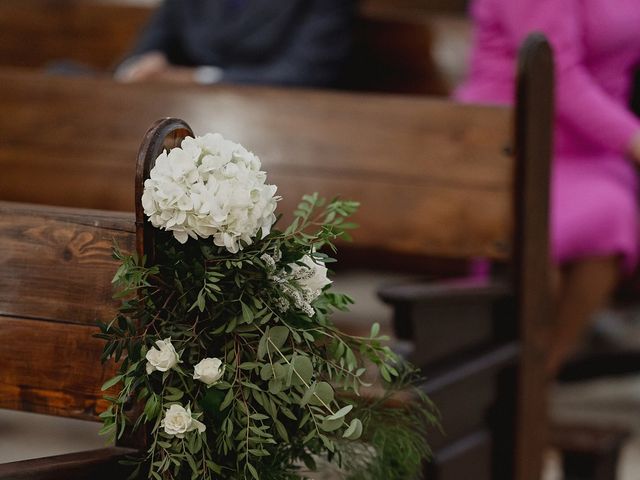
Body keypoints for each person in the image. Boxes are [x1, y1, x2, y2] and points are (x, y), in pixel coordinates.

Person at [455, 0, 640, 375]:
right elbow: (557, 73)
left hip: (591, 149)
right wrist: (634, 139)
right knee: (538, 247)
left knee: (611, 215)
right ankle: (502, 379)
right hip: (513, 139)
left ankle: (536, 382)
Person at [115, 0, 354, 87]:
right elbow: (150, 44)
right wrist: (141, 67)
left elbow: (305, 73)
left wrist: (201, 79)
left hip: (281, 119)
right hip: (179, 118)